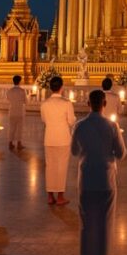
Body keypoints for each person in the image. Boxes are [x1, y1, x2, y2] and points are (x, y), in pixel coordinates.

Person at [71, 89, 127, 255]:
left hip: (86, 176)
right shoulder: (111, 126)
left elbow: (74, 151)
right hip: (105, 177)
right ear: (104, 104)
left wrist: (89, 152)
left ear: (88, 104)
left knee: (86, 219)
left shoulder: (79, 126)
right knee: (104, 219)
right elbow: (121, 154)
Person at [40, 76, 75, 205]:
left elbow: (44, 120)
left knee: (50, 166)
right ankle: (60, 196)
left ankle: (50, 196)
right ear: (61, 87)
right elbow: (71, 121)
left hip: (49, 138)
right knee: (62, 167)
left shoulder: (44, 104)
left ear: (50, 88)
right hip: (63, 139)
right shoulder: (66, 103)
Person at [7, 75, 27, 151]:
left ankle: (10, 143)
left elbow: (8, 99)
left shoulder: (10, 91)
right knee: (20, 128)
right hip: (20, 111)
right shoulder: (22, 91)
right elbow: (26, 101)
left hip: (12, 111)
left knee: (11, 128)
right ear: (20, 81)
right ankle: (19, 143)